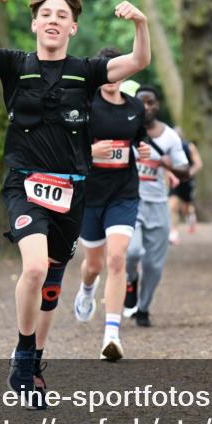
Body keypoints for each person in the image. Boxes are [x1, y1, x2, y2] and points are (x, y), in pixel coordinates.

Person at [0, 0, 150, 402]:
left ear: (73, 28)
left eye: (62, 16)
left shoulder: (85, 71)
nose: (53, 20)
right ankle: (24, 353)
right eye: (46, 14)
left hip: (72, 189)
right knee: (32, 269)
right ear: (34, 24)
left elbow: (138, 60)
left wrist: (140, 22)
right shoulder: (14, 65)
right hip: (24, 184)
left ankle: (35, 360)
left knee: (50, 286)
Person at [72, 47, 151, 361]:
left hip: (123, 193)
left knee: (117, 258)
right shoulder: (84, 106)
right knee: (94, 265)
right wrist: (90, 153)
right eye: (106, 70)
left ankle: (112, 335)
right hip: (90, 195)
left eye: (118, 70)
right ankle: (87, 289)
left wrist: (141, 151)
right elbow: (65, 147)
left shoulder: (134, 107)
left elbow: (138, 140)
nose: (112, 76)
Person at [123, 86, 189, 327]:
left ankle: (143, 308)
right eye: (142, 103)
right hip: (129, 201)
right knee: (132, 252)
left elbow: (185, 172)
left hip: (159, 205)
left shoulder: (170, 137)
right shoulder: (125, 129)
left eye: (151, 103)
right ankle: (130, 280)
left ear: (158, 105)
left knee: (154, 264)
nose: (147, 107)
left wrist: (165, 163)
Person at [168, 126, 202, 244]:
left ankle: (191, 217)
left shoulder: (189, 146)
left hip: (187, 181)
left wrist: (188, 174)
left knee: (186, 208)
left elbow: (198, 163)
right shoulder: (168, 148)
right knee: (172, 206)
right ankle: (173, 233)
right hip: (175, 181)